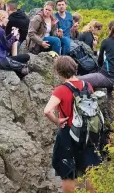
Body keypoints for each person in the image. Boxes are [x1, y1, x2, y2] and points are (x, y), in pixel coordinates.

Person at [43, 56, 101, 193]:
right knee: (89, 168)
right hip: (88, 132)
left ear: (58, 72)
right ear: (75, 68)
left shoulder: (60, 90)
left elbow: (46, 111)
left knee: (68, 172)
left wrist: (57, 121)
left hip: (68, 133)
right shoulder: (87, 85)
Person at [80, 21, 114, 102]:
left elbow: (100, 60)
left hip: (107, 77)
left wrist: (101, 69)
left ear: (108, 29)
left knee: (78, 80)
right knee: (112, 102)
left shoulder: (105, 42)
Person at [0, 10, 30, 79]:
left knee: (24, 58)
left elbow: (3, 41)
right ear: (2, 18)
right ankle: (19, 72)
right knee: (26, 58)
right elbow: (7, 46)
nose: (8, 20)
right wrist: (14, 36)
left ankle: (18, 72)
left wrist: (12, 35)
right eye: (7, 18)